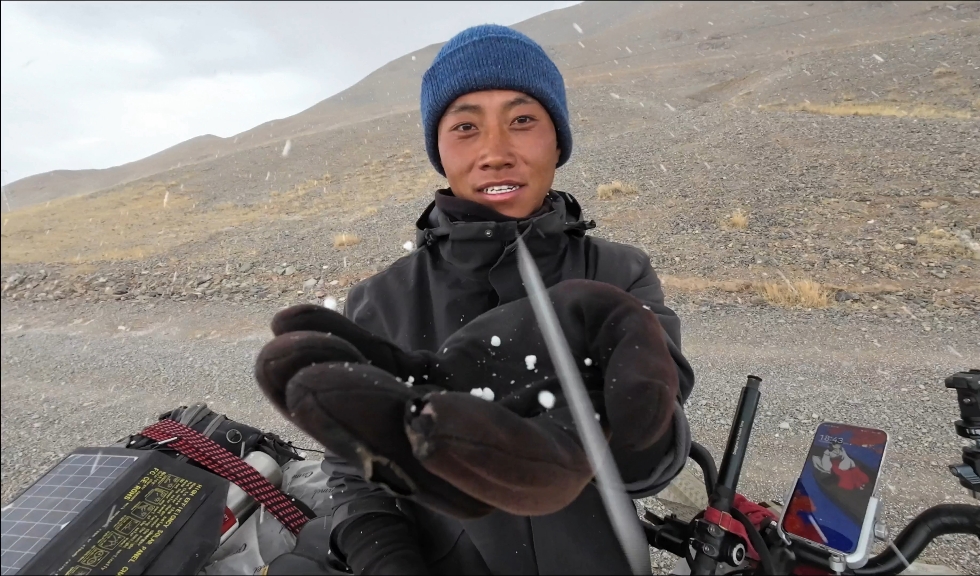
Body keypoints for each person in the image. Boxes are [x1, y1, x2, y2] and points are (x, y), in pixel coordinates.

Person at [256, 24, 695, 575]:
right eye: (465, 126)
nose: (495, 152)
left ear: (557, 139)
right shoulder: (381, 299)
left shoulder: (617, 273)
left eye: (522, 121)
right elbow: (356, 470)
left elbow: (653, 466)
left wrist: (635, 424)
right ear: (438, 149)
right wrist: (385, 558)